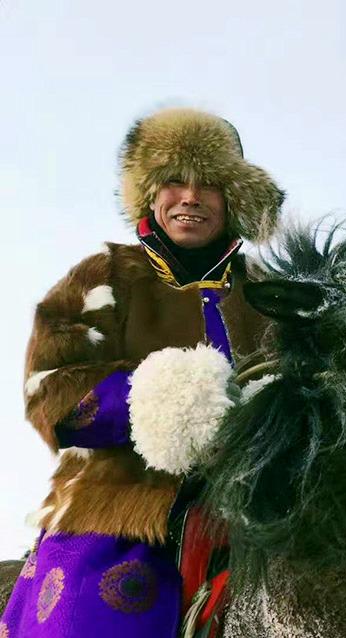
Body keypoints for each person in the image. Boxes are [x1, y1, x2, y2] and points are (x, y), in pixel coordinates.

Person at [1, 107, 284, 637]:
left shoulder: (272, 294)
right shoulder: (104, 276)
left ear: (235, 201)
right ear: (151, 195)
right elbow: (48, 393)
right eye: (174, 181)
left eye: (212, 184)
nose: (191, 197)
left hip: (260, 509)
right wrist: (160, 401)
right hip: (119, 510)